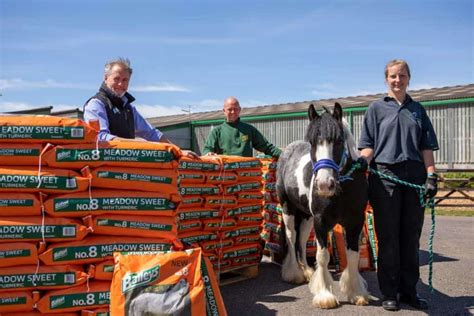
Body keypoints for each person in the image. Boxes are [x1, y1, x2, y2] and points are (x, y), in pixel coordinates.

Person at [358, 59, 439, 311]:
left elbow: (426, 146)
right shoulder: (375, 109)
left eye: (402, 76)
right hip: (385, 178)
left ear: (408, 79)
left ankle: (409, 291)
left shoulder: (418, 110)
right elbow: (368, 144)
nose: (397, 80)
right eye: (393, 76)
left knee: (410, 237)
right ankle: (390, 292)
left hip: (414, 178)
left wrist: (431, 175)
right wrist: (362, 161)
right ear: (386, 79)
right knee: (389, 238)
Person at [84, 57, 198, 158]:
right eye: (116, 79)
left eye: (125, 80)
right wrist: (139, 144)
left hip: (126, 167)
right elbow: (101, 137)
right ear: (105, 78)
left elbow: (151, 133)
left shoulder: (128, 109)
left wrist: (177, 151)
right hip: (104, 167)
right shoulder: (96, 104)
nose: (120, 84)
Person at [202, 97, 281, 157]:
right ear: (224, 111)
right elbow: (207, 149)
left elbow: (267, 147)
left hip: (247, 175)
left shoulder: (249, 129)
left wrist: (285, 155)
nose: (233, 112)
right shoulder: (217, 131)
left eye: (235, 109)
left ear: (239, 110)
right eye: (229, 109)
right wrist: (208, 153)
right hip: (224, 175)